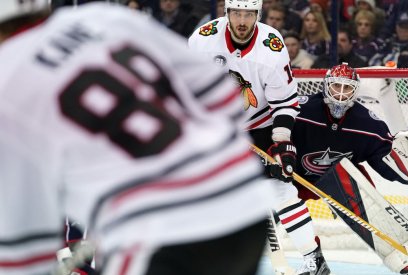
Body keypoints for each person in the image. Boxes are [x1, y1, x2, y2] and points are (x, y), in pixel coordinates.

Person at [0, 1, 276, 274]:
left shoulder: (7, 82)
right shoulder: (104, 17)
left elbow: (24, 252)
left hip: (154, 233)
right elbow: (222, 95)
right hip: (241, 197)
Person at [188, 1, 330, 274]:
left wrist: (281, 142)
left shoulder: (271, 47)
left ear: (258, 15)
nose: (242, 21)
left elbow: (284, 103)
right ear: (226, 13)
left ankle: (314, 260)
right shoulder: (202, 40)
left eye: (248, 14)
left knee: (282, 191)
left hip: (262, 125)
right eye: (237, 13)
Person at [291, 63, 408, 275]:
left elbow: (385, 161)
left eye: (347, 89)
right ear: (325, 86)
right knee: (266, 205)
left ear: (355, 91)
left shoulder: (367, 124)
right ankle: (314, 261)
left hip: (340, 180)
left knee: (372, 209)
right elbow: (273, 130)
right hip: (295, 176)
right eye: (336, 87)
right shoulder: (301, 110)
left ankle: (405, 262)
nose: (341, 95)